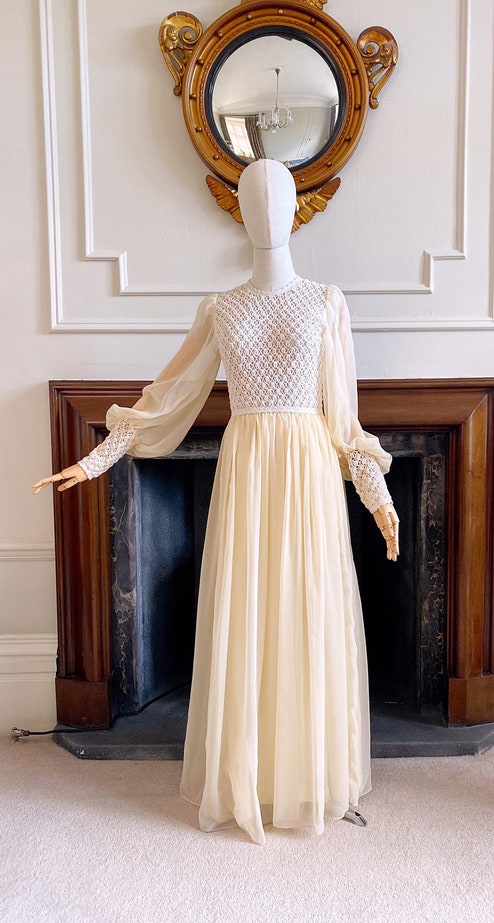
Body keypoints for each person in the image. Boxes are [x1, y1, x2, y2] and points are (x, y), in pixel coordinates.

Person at [34, 159, 399, 844]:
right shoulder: (220, 307)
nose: (266, 210)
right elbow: (166, 396)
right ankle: (250, 777)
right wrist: (94, 459)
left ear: (295, 207)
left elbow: (346, 422)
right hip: (248, 465)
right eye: (253, 198)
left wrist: (377, 496)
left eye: (277, 197)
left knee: (306, 609)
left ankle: (312, 774)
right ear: (241, 210)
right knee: (249, 612)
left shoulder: (327, 301)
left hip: (307, 467)